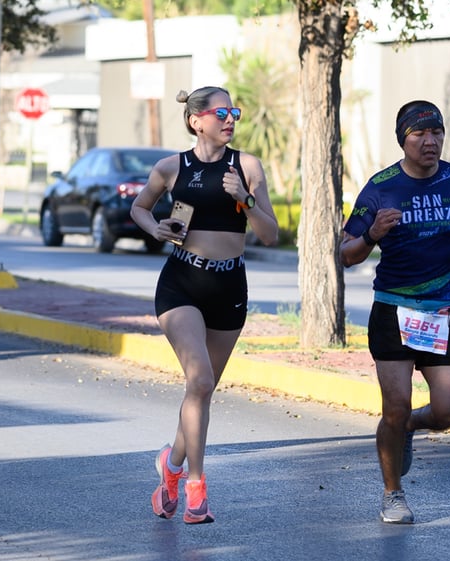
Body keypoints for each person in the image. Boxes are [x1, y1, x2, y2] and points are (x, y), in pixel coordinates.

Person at [339, 100, 450, 524]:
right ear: (403, 139)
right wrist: (373, 233)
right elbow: (346, 254)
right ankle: (393, 494)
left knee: (448, 412)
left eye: (437, 133)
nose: (430, 142)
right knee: (394, 405)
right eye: (419, 135)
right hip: (394, 309)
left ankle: (406, 428)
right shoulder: (381, 187)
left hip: (444, 311)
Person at [131, 86, 279, 524]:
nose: (230, 119)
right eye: (221, 112)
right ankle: (196, 485)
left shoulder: (247, 167)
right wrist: (156, 228)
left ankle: (170, 467)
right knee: (199, 380)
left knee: (203, 388)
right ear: (197, 120)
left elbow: (269, 234)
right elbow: (140, 208)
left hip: (229, 286)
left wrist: (245, 199)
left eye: (234, 111)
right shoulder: (172, 167)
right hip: (182, 283)